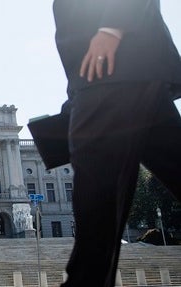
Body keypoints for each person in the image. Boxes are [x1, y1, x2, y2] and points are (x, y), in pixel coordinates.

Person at [52, 1, 181, 286]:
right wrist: (76, 95)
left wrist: (111, 28)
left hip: (114, 69)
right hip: (116, 73)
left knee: (96, 199)